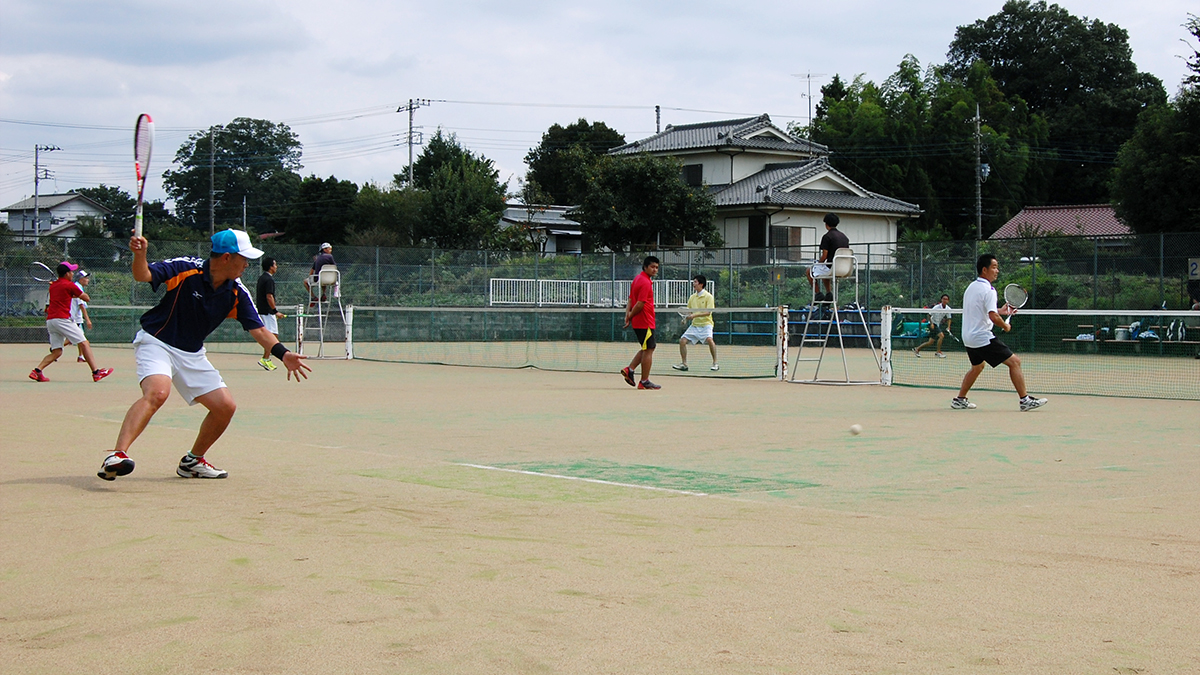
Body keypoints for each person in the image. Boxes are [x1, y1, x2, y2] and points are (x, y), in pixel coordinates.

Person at [97, 229, 311, 482]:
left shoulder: (237, 292)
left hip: (192, 353)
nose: (247, 264)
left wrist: (283, 354)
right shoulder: (185, 268)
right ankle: (117, 455)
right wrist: (140, 255)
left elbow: (259, 329)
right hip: (157, 342)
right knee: (157, 392)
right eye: (244, 258)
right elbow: (142, 274)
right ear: (226, 258)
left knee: (225, 407)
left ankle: (192, 461)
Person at [952, 254, 1047, 412]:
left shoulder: (972, 287)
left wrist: (1001, 311)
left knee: (977, 367)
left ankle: (960, 400)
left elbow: (983, 310)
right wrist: (1005, 326)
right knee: (1015, 362)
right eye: (994, 267)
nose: (997, 270)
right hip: (982, 337)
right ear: (984, 269)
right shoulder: (989, 290)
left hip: (968, 337)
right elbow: (992, 316)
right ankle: (1025, 400)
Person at [29, 262, 113, 384]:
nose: (73, 274)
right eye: (71, 272)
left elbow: (64, 295)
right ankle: (96, 372)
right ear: (67, 273)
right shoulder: (70, 285)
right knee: (84, 343)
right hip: (62, 320)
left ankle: (37, 371)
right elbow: (86, 298)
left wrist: (71, 293)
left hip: (51, 321)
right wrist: (77, 292)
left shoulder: (53, 286)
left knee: (57, 351)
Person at [621, 256, 661, 390]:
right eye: (652, 267)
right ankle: (644, 381)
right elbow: (639, 304)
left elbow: (631, 299)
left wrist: (628, 316)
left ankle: (630, 370)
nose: (655, 270)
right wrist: (630, 316)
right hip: (645, 321)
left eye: (657, 267)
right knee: (649, 349)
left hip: (641, 321)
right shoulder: (645, 282)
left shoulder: (637, 279)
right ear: (645, 267)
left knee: (647, 348)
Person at [672, 275, 719, 372]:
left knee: (710, 340)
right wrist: (685, 319)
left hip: (706, 324)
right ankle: (684, 364)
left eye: (695, 282)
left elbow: (708, 312)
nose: (693, 284)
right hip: (695, 325)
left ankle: (715, 363)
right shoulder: (692, 297)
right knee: (682, 341)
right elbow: (689, 312)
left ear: (701, 284)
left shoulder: (708, 297)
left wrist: (693, 316)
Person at [806, 213, 850, 303]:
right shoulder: (844, 237)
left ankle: (818, 293)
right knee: (825, 271)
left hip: (832, 267)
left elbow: (824, 256)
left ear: (826, 224)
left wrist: (818, 262)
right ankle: (829, 293)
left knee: (809, 271)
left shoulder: (827, 237)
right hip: (845, 268)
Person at [255, 256, 287, 371]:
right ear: (270, 267)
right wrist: (275, 311)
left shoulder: (262, 278)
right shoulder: (268, 279)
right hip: (267, 312)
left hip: (264, 311)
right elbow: (269, 296)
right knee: (272, 337)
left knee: (273, 336)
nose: (276, 267)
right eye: (275, 264)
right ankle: (265, 359)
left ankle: (266, 359)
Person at [914, 294, 952, 358]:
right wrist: (931, 323)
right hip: (932, 323)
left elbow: (949, 318)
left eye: (946, 299)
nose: (945, 300)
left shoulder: (948, 309)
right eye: (943, 299)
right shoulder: (936, 307)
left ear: (948, 301)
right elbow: (929, 315)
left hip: (937, 324)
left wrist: (948, 327)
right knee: (941, 336)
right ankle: (938, 352)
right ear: (941, 300)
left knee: (930, 342)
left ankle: (917, 349)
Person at [305, 242, 337, 306]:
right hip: (331, 279)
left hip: (318, 279)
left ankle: (314, 297)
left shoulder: (317, 258)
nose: (330, 250)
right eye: (329, 249)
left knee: (305, 282)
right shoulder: (330, 257)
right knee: (323, 279)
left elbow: (311, 271)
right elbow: (335, 267)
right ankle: (324, 294)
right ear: (324, 249)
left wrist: (310, 278)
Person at [71, 270, 93, 363]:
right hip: (74, 318)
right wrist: (88, 320)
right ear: (80, 279)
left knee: (80, 337)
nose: (87, 280)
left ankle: (80, 356)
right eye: (86, 278)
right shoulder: (77, 288)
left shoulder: (78, 286)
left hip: (76, 317)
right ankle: (55, 349)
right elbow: (82, 305)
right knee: (78, 337)